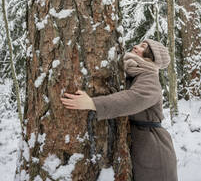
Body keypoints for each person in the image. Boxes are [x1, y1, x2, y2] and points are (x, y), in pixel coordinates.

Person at [61, 39, 178, 181]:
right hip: (141, 146)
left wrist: (93, 103)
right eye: (139, 44)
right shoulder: (133, 73)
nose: (135, 46)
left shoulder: (150, 77)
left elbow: (133, 98)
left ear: (153, 56)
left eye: (143, 47)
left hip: (154, 150)